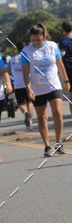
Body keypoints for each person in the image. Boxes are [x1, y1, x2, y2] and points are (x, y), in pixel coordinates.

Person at [22, 22, 70, 156]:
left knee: (57, 114)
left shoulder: (52, 46)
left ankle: (58, 143)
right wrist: (28, 88)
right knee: (42, 118)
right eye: (33, 40)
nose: (36, 42)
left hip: (54, 85)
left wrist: (66, 81)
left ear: (43, 36)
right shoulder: (26, 51)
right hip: (37, 88)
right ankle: (47, 146)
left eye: (38, 40)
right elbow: (25, 73)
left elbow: (60, 65)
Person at [8, 51, 33, 129]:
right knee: (29, 103)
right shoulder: (26, 57)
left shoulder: (11, 60)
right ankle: (30, 123)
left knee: (20, 104)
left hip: (17, 85)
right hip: (27, 84)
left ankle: (25, 112)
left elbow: (8, 71)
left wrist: (15, 75)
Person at [58, 20, 72, 116]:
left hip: (69, 69)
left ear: (63, 29)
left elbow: (62, 54)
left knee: (71, 96)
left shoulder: (63, 40)